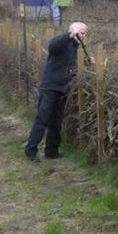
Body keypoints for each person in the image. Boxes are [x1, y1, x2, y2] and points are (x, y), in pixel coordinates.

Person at [24, 22, 88, 163]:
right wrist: (69, 35)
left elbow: (70, 67)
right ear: (73, 32)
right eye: (81, 32)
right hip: (50, 87)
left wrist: (88, 63)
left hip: (62, 89)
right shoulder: (63, 42)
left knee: (56, 122)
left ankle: (51, 151)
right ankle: (31, 151)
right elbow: (52, 47)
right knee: (42, 119)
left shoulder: (74, 47)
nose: (83, 36)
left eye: (85, 33)